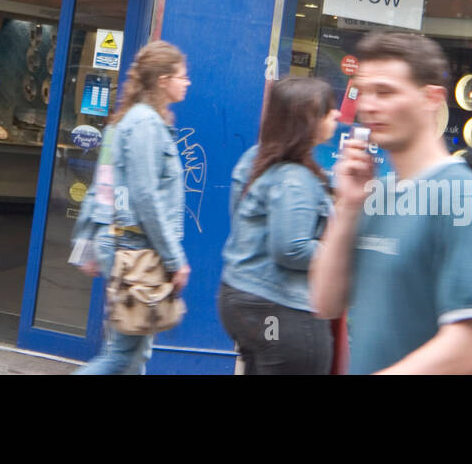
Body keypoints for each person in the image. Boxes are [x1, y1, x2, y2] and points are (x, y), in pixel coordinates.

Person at [309, 31, 472, 374]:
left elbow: (469, 347)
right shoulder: (375, 193)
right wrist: (348, 206)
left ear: (432, 98)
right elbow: (325, 301)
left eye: (385, 92)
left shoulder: (462, 195)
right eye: (364, 92)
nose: (368, 105)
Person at [71, 40, 190, 375]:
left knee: (134, 350)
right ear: (163, 80)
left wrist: (86, 244)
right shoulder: (145, 125)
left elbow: (101, 188)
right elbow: (145, 196)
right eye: (182, 76)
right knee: (123, 355)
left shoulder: (130, 121)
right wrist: (174, 258)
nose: (187, 82)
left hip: (124, 246)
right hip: (135, 249)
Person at [219, 77, 339, 374]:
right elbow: (291, 249)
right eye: (328, 110)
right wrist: (340, 254)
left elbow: (238, 218)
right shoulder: (294, 178)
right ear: (306, 120)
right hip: (281, 313)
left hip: (242, 302)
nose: (337, 115)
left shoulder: (256, 158)